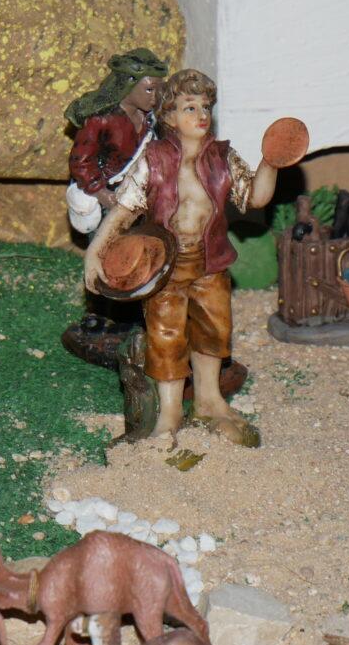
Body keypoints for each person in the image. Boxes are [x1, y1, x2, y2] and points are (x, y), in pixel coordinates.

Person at [84, 69, 281, 446]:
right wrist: (96, 252)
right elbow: (124, 211)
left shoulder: (223, 157)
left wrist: (271, 162)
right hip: (166, 265)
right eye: (190, 107)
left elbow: (255, 197)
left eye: (205, 107)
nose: (202, 115)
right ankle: (170, 413)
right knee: (166, 335)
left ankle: (209, 401)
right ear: (169, 116)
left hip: (210, 261)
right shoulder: (153, 160)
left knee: (213, 330)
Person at [65, 48, 168, 235]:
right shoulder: (100, 120)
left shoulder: (151, 119)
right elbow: (80, 162)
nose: (155, 97)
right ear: (129, 85)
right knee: (100, 232)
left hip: (136, 187)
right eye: (149, 89)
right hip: (104, 188)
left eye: (159, 90)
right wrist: (102, 193)